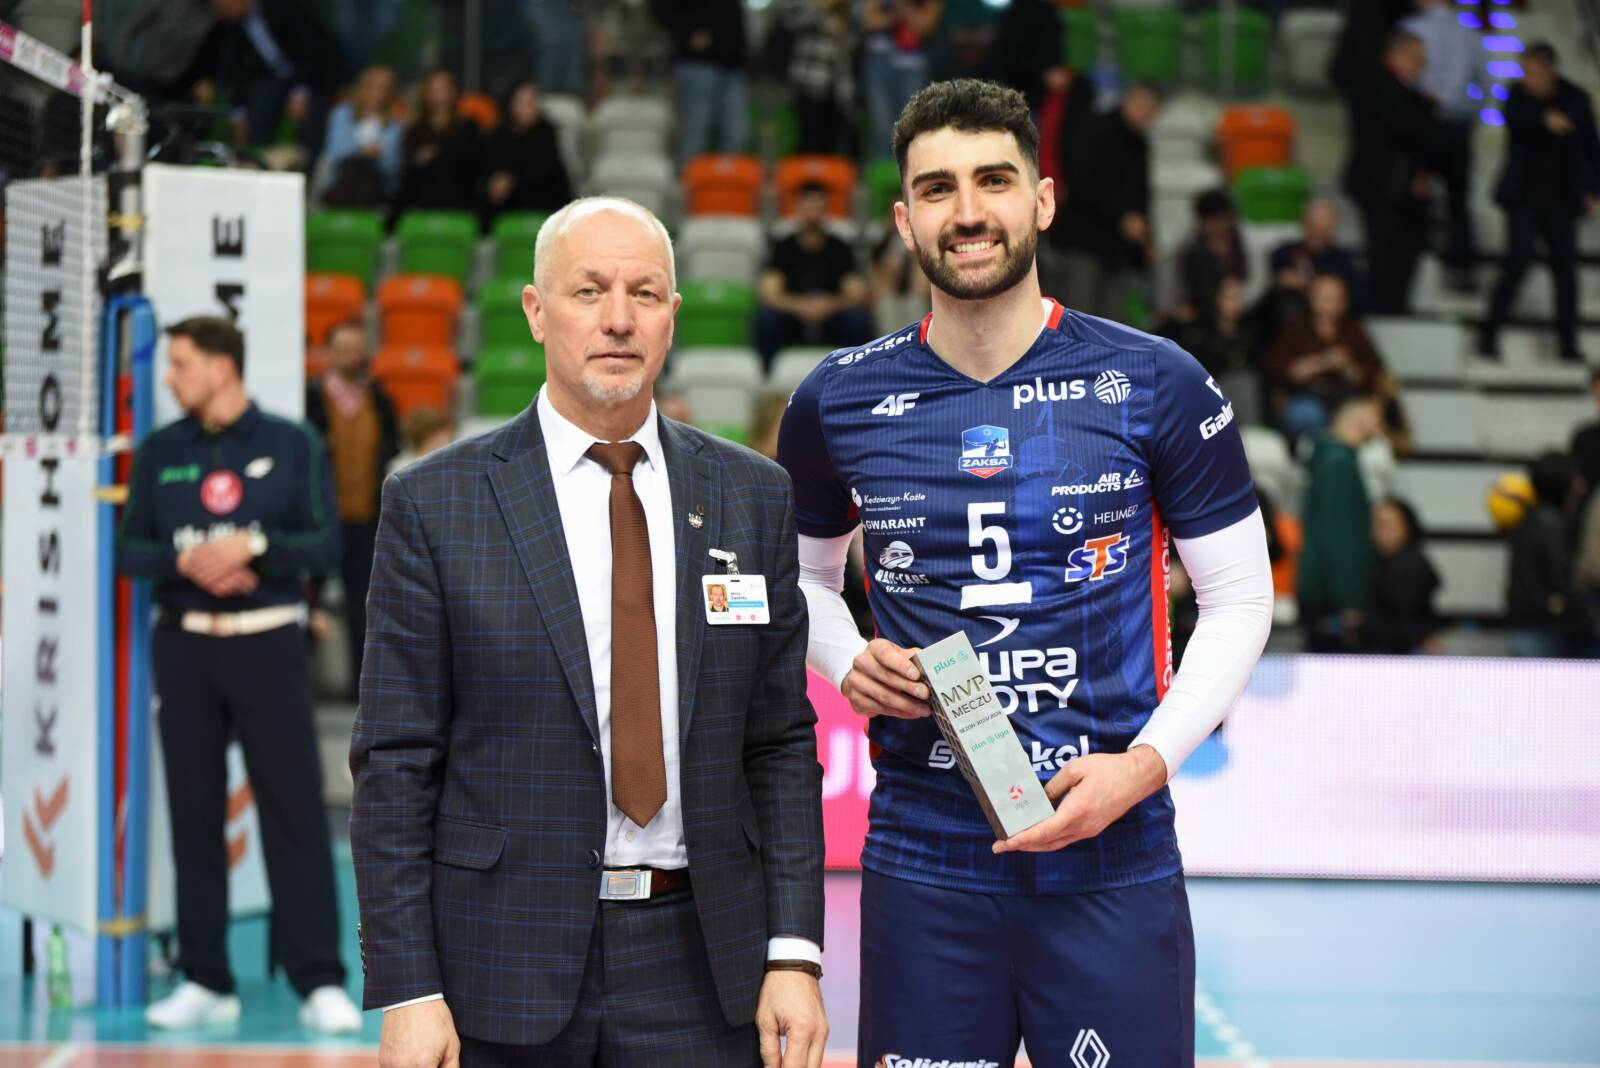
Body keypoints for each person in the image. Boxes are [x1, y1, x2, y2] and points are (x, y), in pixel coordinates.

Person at [778, 80, 1274, 1067]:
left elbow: (1240, 597)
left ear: (1042, 200)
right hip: (923, 848)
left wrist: (1145, 766)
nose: (967, 212)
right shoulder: (837, 397)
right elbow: (800, 580)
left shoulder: (1154, 381)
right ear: (904, 220)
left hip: (1113, 841)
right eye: (937, 189)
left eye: (993, 181)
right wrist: (846, 659)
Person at [351, 197, 828, 1067]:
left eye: (644, 293)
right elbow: (395, 761)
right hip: (499, 965)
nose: (618, 318)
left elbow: (780, 744)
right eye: (588, 291)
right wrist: (408, 987)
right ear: (536, 311)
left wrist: (793, 954)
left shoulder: (752, 496)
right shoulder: (434, 502)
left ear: (671, 317)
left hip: (706, 966)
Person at [116, 316, 359, 1034]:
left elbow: (325, 543)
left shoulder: (292, 442)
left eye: (181, 364)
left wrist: (251, 546)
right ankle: (205, 978)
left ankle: (320, 979)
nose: (170, 378)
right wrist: (185, 561)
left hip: (268, 645)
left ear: (222, 367)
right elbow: (130, 550)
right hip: (185, 646)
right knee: (193, 818)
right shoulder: (161, 452)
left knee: (294, 815)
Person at [1478, 42, 1600, 364]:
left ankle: (1568, 342)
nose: (1527, 78)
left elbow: (1590, 147)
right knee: (1518, 261)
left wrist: (1593, 190)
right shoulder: (1517, 97)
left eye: (1532, 72)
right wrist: (1545, 119)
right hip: (1524, 199)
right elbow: (1516, 117)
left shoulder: (1576, 99)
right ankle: (1489, 333)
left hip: (1561, 200)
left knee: (1566, 271)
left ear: (1549, 71)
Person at [305, 319, 399, 700]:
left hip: (366, 519)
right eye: (342, 348)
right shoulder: (311, 400)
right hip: (318, 519)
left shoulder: (379, 401)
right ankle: (301, 685)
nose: (350, 356)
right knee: (307, 602)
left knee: (365, 605)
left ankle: (362, 690)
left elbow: (391, 449)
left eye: (355, 348)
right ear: (329, 353)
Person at [1045, 82, 1161, 320]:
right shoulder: (1094, 128)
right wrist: (1120, 217)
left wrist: (1145, 239)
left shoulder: (1138, 143)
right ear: (1134, 102)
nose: (1150, 120)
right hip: (1084, 241)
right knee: (1077, 315)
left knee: (1112, 321)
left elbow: (1140, 197)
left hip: (1117, 248)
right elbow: (1081, 182)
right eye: (1149, 112)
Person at [1342, 31, 1437, 315]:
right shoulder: (1380, 85)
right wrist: (1426, 105)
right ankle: (1383, 314)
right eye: (1418, 59)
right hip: (1379, 187)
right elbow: (1405, 127)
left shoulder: (1397, 89)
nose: (1422, 66)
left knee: (1402, 255)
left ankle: (1393, 310)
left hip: (1396, 189)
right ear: (1399, 55)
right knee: (1384, 257)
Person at [1403, 0, 1482, 292]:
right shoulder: (1469, 32)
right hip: (1458, 126)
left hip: (1422, 123)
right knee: (1458, 200)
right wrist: (1471, 114)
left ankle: (1420, 261)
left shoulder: (1411, 28)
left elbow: (1401, 78)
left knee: (1418, 191)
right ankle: (1461, 269)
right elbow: (1485, 83)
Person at [754, 181, 876, 367]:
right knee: (766, 317)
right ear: (798, 209)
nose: (813, 214)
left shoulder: (840, 248)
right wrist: (799, 305)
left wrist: (830, 305)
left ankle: (856, 373)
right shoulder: (783, 247)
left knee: (857, 320)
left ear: (826, 211)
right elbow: (769, 293)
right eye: (808, 208)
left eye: (818, 208)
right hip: (793, 316)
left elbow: (856, 293)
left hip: (831, 316)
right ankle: (768, 373)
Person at [1297, 394, 1384, 652]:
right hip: (1331, 596)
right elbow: (1339, 536)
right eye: (1377, 418)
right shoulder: (1339, 464)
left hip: (1323, 588)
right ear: (1359, 420)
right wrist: (1349, 599)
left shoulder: (1329, 458)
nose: (1381, 427)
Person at [1267, 272, 1385, 443]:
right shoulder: (1296, 330)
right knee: (1306, 415)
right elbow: (1280, 371)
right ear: (1311, 298)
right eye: (1323, 297)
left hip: (1345, 397)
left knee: (1365, 418)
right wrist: (1322, 362)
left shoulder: (1354, 332)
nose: (1328, 304)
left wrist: (1346, 367)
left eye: (1335, 298)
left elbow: (1369, 377)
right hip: (1306, 396)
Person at [1506, 451, 1589, 656]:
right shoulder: (1552, 526)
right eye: (1576, 479)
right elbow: (1559, 580)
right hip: (1545, 630)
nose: (1581, 486)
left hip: (1530, 625)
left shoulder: (1531, 519)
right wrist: (1587, 610)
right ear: (1562, 483)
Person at [650, 0, 751, 161]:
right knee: (696, 135)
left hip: (733, 63)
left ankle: (728, 177)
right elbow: (660, 9)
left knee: (736, 135)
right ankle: (690, 176)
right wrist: (687, 34)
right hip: (697, 64)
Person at [394, 68, 484, 221]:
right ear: (426, 94)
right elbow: (405, 173)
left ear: (454, 92)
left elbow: (475, 165)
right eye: (434, 90)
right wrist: (418, 160)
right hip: (423, 203)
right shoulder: (415, 131)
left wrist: (439, 154)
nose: (440, 95)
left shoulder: (468, 126)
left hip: (460, 201)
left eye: (444, 89)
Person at [861, 0, 943, 159]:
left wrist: (902, 10)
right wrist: (897, 14)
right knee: (882, 127)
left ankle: (910, 169)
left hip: (912, 65)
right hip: (879, 61)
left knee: (911, 126)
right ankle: (883, 171)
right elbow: (868, 22)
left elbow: (926, 27)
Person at [483, 80, 573, 224]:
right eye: (522, 102)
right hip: (506, 206)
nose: (528, 107)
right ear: (511, 104)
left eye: (532, 101)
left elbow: (546, 173)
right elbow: (489, 168)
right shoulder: (499, 134)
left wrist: (513, 183)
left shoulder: (547, 132)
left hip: (543, 201)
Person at [313, 64, 403, 207]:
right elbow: (335, 151)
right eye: (374, 87)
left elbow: (391, 166)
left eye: (385, 88)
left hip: (375, 183)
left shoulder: (394, 125)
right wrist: (364, 152)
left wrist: (370, 156)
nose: (379, 93)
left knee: (365, 172)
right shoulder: (342, 114)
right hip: (340, 178)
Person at [1267, 197, 1368, 315]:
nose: (1318, 232)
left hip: (1335, 318)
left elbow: (1357, 297)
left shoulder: (1343, 259)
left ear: (1332, 227)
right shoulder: (1284, 253)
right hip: (1296, 317)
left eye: (1323, 227)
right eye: (1314, 225)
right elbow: (1276, 290)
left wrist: (1309, 284)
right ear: (1303, 224)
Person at [1367, 496, 1442, 653]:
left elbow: (1403, 622)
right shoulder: (1374, 562)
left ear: (1407, 527)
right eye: (1377, 524)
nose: (1382, 532)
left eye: (1388, 525)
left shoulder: (1411, 566)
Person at [1177, 188, 1248, 320]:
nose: (1216, 227)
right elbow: (1187, 288)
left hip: (1242, 306)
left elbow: (1254, 278)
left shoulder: (1243, 241)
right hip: (1205, 312)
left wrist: (1237, 295)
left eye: (1220, 220)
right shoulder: (1192, 248)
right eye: (1211, 221)